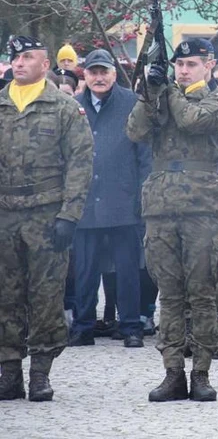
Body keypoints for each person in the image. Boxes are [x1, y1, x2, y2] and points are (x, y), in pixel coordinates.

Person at [126, 38, 218, 402]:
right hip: (161, 206)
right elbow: (136, 132)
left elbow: (191, 120)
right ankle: (173, 371)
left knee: (203, 293)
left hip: (203, 206)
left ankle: (201, 371)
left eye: (191, 64)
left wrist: (168, 90)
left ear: (208, 65)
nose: (183, 70)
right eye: (178, 65)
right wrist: (148, 94)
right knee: (169, 295)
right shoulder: (161, 99)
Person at [0, 36, 93, 402]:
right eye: (14, 57)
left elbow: (81, 163)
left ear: (45, 64)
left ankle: (40, 372)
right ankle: (8, 372)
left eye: (27, 57)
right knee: (5, 295)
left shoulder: (63, 107)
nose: (19, 63)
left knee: (45, 297)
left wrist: (69, 215)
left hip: (46, 214)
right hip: (5, 214)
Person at [70, 50, 152, 350]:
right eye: (93, 72)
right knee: (85, 270)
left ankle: (130, 326)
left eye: (104, 71)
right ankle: (83, 326)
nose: (99, 77)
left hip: (123, 200)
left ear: (114, 74)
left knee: (128, 269)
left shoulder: (132, 103)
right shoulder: (73, 106)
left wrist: (143, 196)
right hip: (86, 201)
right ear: (85, 76)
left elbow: (144, 154)